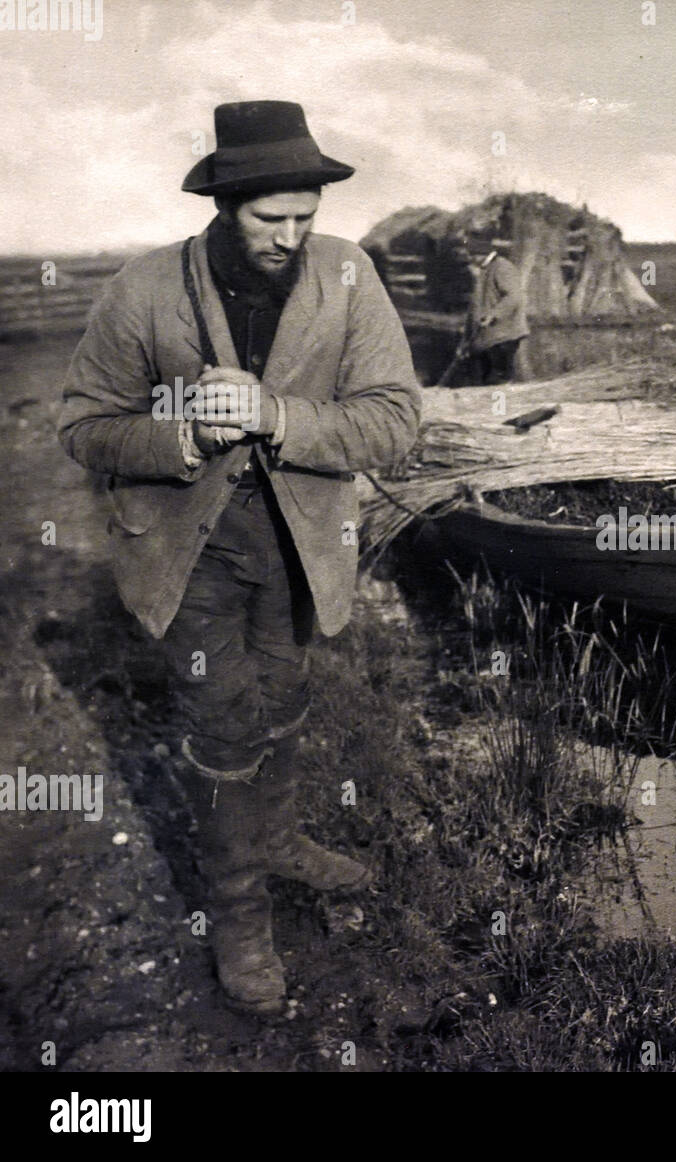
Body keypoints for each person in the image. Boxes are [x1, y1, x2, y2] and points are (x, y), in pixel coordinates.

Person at [58, 101, 421, 1017]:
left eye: (306, 216)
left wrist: (280, 419)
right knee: (223, 729)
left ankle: (282, 839)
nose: (292, 237)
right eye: (271, 219)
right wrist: (179, 437)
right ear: (226, 205)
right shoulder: (145, 289)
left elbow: (395, 420)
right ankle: (238, 917)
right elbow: (82, 425)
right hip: (190, 546)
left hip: (301, 543)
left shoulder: (348, 275)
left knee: (282, 698)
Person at [461, 238, 529, 384]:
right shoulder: (482, 270)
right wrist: (465, 340)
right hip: (487, 337)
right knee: (487, 380)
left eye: (471, 255)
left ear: (480, 253)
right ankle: (494, 406)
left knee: (500, 378)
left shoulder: (502, 267)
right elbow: (475, 306)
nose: (470, 259)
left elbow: (514, 296)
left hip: (504, 334)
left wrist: (494, 314)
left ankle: (500, 407)